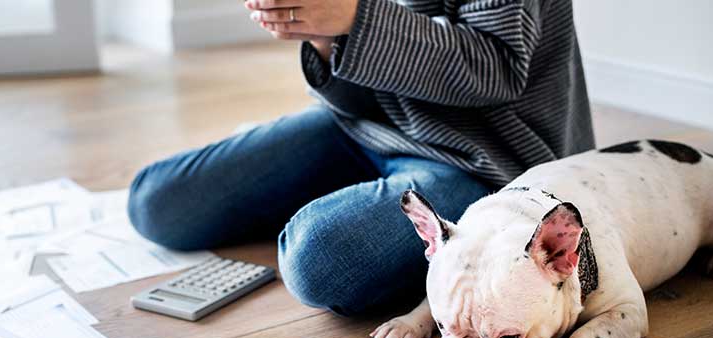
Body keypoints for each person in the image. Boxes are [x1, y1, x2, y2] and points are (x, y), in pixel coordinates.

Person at [128, 0, 595, 316]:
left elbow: (494, 69)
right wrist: (320, 33)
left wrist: (355, 16)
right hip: (368, 128)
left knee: (318, 259)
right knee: (156, 202)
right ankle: (365, 212)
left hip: (482, 156)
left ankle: (414, 231)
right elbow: (358, 100)